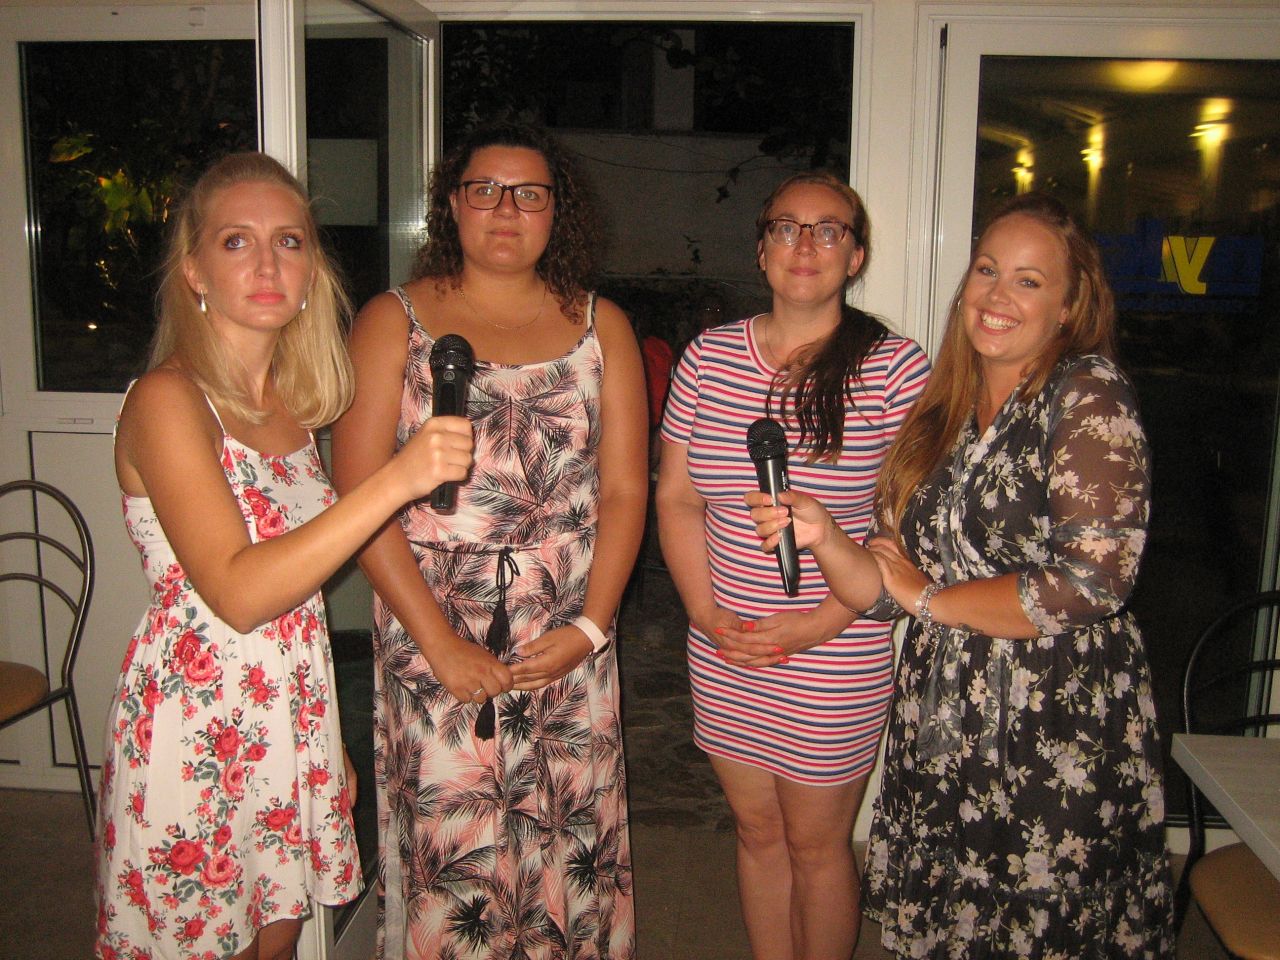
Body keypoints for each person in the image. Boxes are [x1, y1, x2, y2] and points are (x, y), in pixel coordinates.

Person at [749, 193, 1176, 957]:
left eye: (1028, 280)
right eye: (986, 270)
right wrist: (824, 534)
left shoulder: (1085, 393)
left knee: (1040, 932)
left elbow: (1092, 581)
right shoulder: (942, 407)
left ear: (1070, 306)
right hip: (944, 718)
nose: (997, 294)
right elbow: (884, 590)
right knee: (953, 928)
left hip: (1052, 719)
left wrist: (931, 599)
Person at [94, 152, 473, 960]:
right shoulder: (167, 401)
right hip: (198, 723)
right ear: (194, 269)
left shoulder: (291, 411)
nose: (267, 264)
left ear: (311, 271)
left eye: (289, 242)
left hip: (286, 710)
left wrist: (318, 737)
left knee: (278, 936)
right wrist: (397, 479)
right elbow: (238, 592)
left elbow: (298, 589)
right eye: (236, 242)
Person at [330, 121, 646, 959]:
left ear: (556, 211)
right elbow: (360, 499)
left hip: (568, 625)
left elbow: (624, 491)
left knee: (567, 833)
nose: (507, 209)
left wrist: (591, 627)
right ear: (453, 204)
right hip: (432, 624)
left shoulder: (602, 326)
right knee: (456, 851)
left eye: (529, 193)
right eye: (485, 189)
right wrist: (439, 646)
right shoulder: (390, 322)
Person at [656, 171, 930, 960]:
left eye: (828, 230)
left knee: (816, 846)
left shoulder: (895, 368)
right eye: (786, 227)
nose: (805, 244)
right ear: (761, 249)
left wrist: (816, 625)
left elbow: (907, 532)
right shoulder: (707, 358)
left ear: (856, 256)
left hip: (835, 651)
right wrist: (706, 615)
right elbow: (678, 498)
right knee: (756, 832)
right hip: (727, 642)